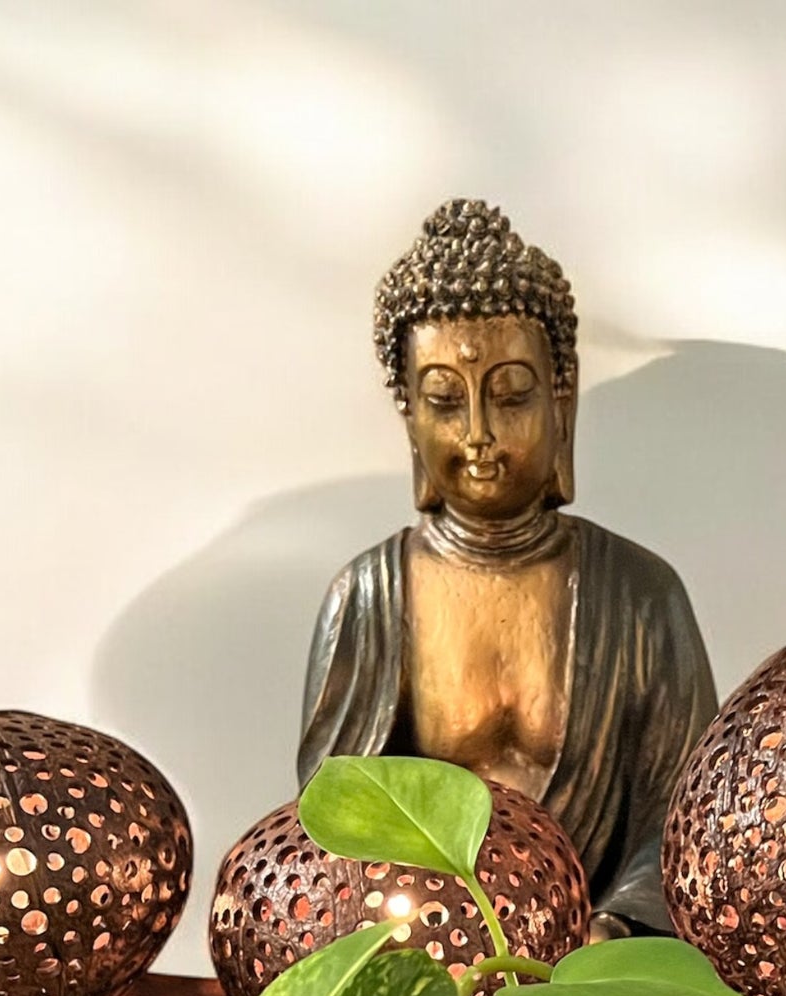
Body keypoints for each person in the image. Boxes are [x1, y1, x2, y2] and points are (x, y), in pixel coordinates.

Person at [299, 199, 716, 938]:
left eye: (512, 395)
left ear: (562, 399)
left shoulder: (642, 595)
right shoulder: (367, 597)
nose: (480, 435)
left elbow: (688, 815)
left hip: (598, 979)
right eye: (443, 401)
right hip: (429, 966)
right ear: (409, 418)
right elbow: (331, 829)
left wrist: (617, 924)